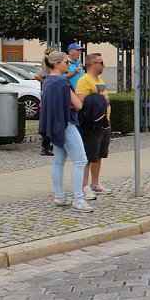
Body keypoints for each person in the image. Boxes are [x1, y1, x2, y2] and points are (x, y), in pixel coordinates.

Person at [39, 48, 93, 213]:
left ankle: (60, 196)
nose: (68, 64)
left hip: (54, 126)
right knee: (80, 160)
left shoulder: (48, 81)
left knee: (58, 161)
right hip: (67, 124)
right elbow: (78, 105)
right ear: (56, 64)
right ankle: (78, 199)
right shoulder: (62, 82)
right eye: (65, 62)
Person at [76, 52, 113, 199]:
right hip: (92, 124)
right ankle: (84, 186)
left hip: (103, 122)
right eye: (101, 62)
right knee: (88, 156)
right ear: (92, 64)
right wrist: (102, 100)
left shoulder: (98, 79)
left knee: (99, 155)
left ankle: (95, 183)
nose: (104, 65)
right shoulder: (84, 80)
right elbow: (82, 100)